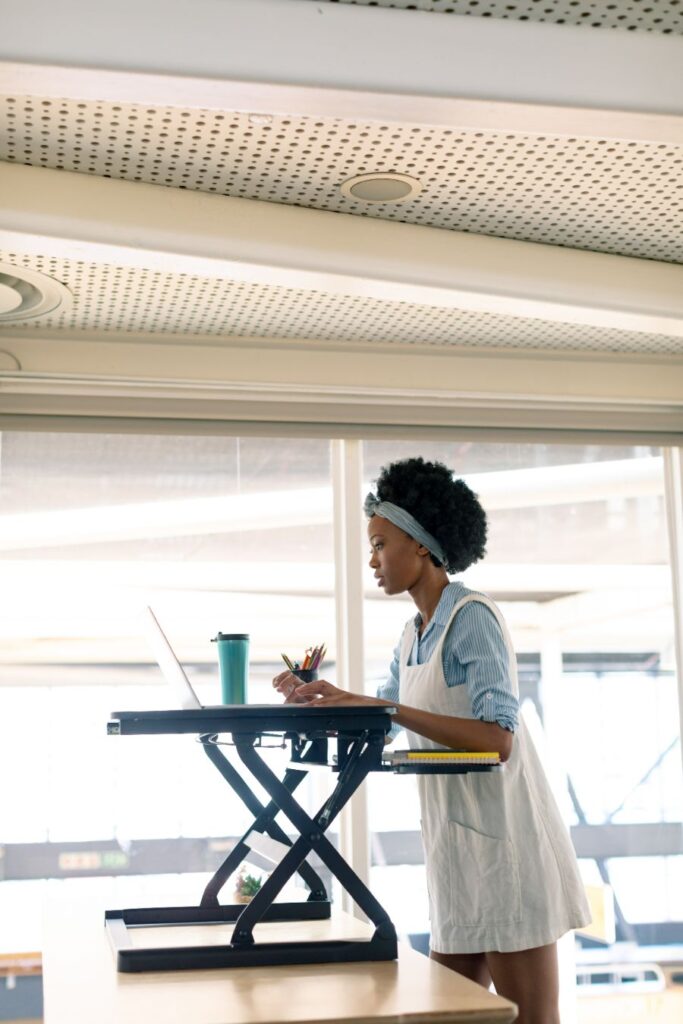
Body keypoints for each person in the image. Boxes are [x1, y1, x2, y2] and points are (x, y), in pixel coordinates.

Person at [273, 456, 590, 1024]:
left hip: (507, 853)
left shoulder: (473, 618)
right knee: (447, 1017)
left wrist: (381, 705)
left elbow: (499, 740)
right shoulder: (411, 634)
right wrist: (317, 699)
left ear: (419, 545)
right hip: (456, 857)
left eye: (379, 544)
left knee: (531, 1021)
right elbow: (385, 718)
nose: (372, 560)